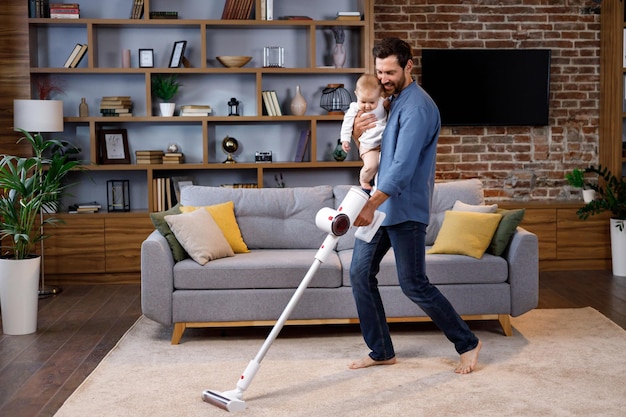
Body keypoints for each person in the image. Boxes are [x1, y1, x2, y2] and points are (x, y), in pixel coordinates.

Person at [348, 37, 482, 374]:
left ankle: (468, 342)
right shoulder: (390, 102)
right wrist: (355, 132)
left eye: (390, 71)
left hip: (404, 209)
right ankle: (381, 351)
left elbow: (402, 169)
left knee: (414, 284)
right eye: (379, 72)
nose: (382, 79)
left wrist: (368, 205)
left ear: (409, 66)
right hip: (381, 207)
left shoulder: (418, 107)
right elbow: (377, 151)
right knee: (360, 274)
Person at [340, 74, 388, 191]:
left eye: (372, 102)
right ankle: (364, 180)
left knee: (383, 167)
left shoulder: (383, 103)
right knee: (371, 166)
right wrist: (345, 140)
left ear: (379, 96)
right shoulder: (355, 107)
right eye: (363, 101)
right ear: (356, 94)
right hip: (368, 146)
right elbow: (347, 123)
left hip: (384, 144)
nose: (367, 106)